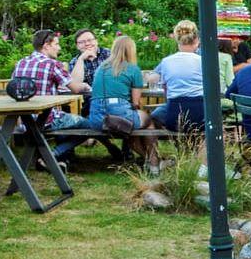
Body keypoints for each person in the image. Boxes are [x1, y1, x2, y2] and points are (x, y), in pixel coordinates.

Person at [12, 29, 89, 160]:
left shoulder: (21, 63)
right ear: (46, 45)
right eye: (56, 44)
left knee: (67, 121)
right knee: (90, 125)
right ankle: (55, 154)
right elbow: (75, 88)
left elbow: (15, 88)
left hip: (25, 120)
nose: (59, 48)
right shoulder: (52, 65)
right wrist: (85, 86)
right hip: (46, 120)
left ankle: (62, 156)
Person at [87, 35, 157, 168]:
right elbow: (136, 103)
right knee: (147, 121)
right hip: (117, 116)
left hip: (96, 119)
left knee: (129, 127)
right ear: (131, 50)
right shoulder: (133, 69)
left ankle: (147, 159)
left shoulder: (100, 68)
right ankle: (154, 162)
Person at [152, 20, 205, 132]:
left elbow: (166, 90)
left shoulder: (166, 62)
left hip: (175, 115)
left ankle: (178, 143)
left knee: (155, 115)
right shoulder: (204, 61)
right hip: (201, 115)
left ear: (177, 39)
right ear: (196, 40)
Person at [66, 29, 109, 115]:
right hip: (89, 102)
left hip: (110, 95)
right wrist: (81, 59)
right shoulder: (75, 62)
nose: (87, 44)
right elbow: (75, 85)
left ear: (96, 41)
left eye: (90, 40)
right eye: (82, 42)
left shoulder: (109, 54)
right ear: (77, 46)